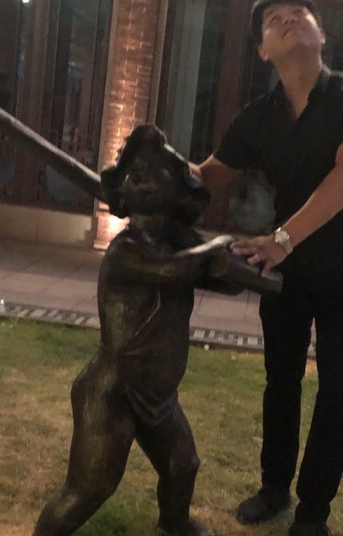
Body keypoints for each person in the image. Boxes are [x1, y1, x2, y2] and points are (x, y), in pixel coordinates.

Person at [191, 0, 343, 536]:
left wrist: (281, 238)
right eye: (276, 20)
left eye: (301, 15)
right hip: (287, 275)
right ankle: (274, 488)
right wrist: (146, 173)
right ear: (263, 50)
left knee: (337, 390)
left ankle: (313, 513)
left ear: (321, 34)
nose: (291, 20)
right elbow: (205, 177)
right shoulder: (258, 117)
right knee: (281, 381)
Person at [32, 125, 233, 536]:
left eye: (155, 169)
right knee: (90, 488)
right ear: (121, 190)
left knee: (182, 465)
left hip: (157, 393)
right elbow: (174, 271)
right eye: (133, 170)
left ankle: (174, 525)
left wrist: (231, 262)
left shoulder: (178, 243)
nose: (141, 174)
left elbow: (224, 280)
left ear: (180, 191)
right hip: (113, 391)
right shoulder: (126, 251)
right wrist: (216, 248)